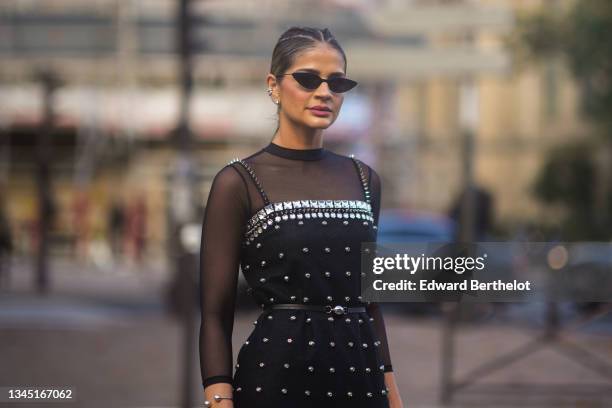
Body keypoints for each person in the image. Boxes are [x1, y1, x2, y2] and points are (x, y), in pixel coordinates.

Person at [199, 26, 403, 407]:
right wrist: (218, 399)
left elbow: (370, 301)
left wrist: (391, 392)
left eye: (337, 82)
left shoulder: (364, 179)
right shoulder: (238, 182)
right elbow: (214, 311)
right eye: (308, 79)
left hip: (361, 380)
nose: (324, 92)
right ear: (273, 85)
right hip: (276, 378)